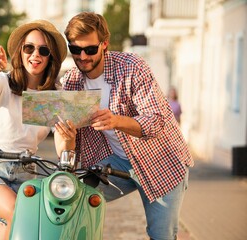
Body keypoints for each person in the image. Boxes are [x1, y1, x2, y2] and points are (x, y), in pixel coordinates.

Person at [61, 12, 194, 240]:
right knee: (70, 200)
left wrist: (117, 121)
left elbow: (156, 120)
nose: (82, 56)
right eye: (75, 50)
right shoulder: (72, 81)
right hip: (115, 162)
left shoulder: (132, 67)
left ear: (104, 44)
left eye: (90, 50)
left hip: (161, 160)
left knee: (161, 235)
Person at [0, 20, 75, 240]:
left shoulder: (54, 96)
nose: (36, 54)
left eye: (43, 50)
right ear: (20, 51)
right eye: (29, 48)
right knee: (19, 213)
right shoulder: (5, 83)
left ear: (50, 57)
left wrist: (69, 139)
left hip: (26, 171)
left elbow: (62, 147)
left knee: (10, 228)